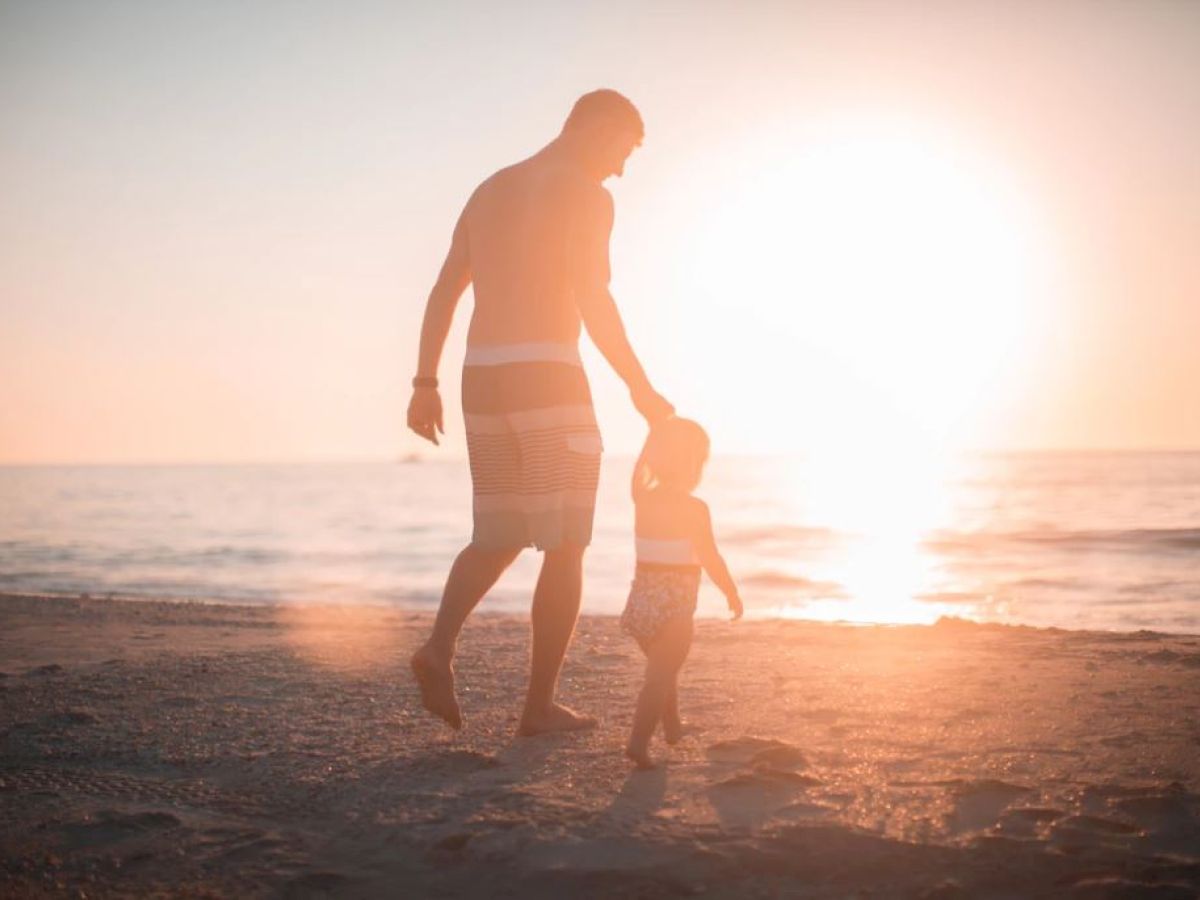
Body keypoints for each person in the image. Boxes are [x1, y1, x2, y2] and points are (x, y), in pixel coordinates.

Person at [406, 89, 674, 735]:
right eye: (622, 150)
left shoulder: (491, 188)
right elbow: (594, 299)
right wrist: (640, 387)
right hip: (549, 375)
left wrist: (423, 382)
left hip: (482, 378)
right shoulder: (586, 195)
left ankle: (438, 648)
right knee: (567, 543)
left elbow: (446, 288)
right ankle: (537, 710)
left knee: (498, 535)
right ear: (596, 128)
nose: (620, 170)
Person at [620, 417, 743, 768]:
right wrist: (730, 591)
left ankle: (672, 727)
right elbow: (709, 556)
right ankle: (638, 742)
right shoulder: (694, 509)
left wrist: (652, 434)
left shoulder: (642, 498)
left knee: (663, 666)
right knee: (660, 675)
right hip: (674, 606)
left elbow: (638, 470)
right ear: (694, 467)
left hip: (641, 604)